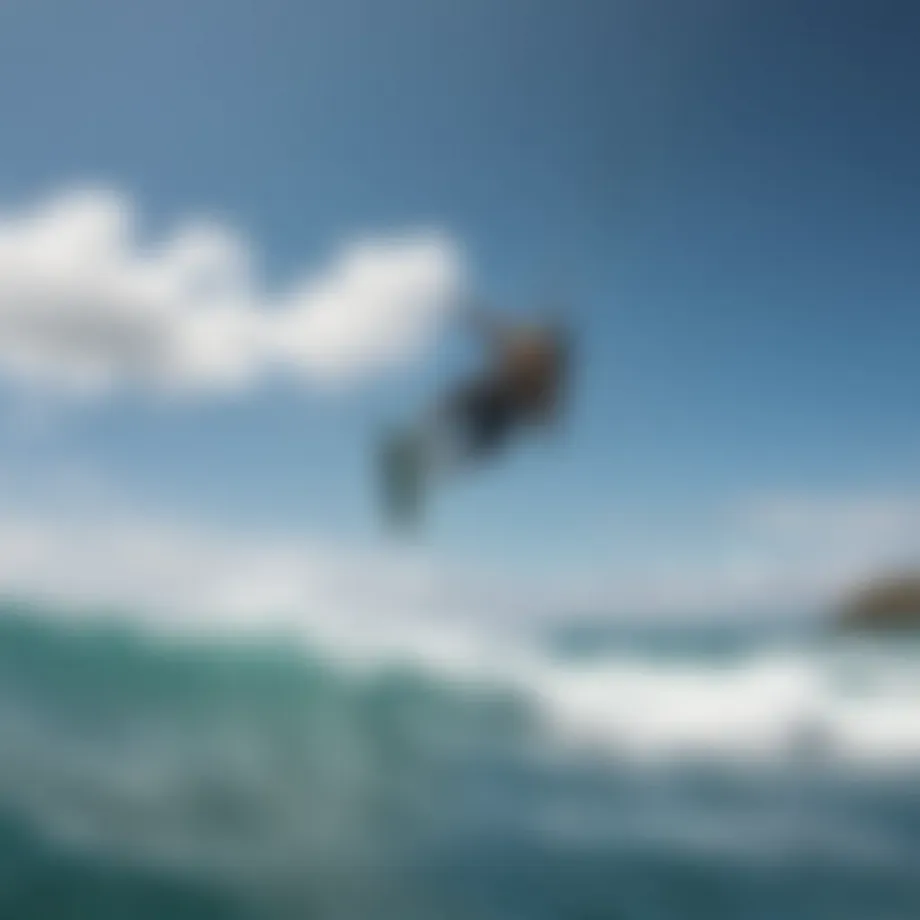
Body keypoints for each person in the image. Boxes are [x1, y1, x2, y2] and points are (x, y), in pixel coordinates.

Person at [379, 305, 572, 527]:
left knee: (469, 442)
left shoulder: (544, 379)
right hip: (488, 399)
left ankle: (420, 469)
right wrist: (471, 317)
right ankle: (414, 451)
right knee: (457, 414)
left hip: (497, 415)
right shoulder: (529, 351)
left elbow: (544, 415)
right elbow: (496, 333)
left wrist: (546, 418)